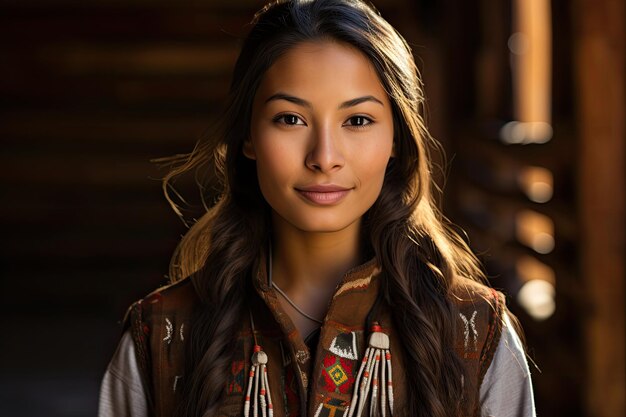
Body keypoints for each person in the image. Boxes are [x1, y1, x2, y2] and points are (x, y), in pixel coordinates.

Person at [98, 0, 536, 416]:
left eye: (357, 121)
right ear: (248, 136)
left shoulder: (474, 333)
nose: (324, 157)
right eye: (290, 119)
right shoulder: (160, 336)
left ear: (396, 141)